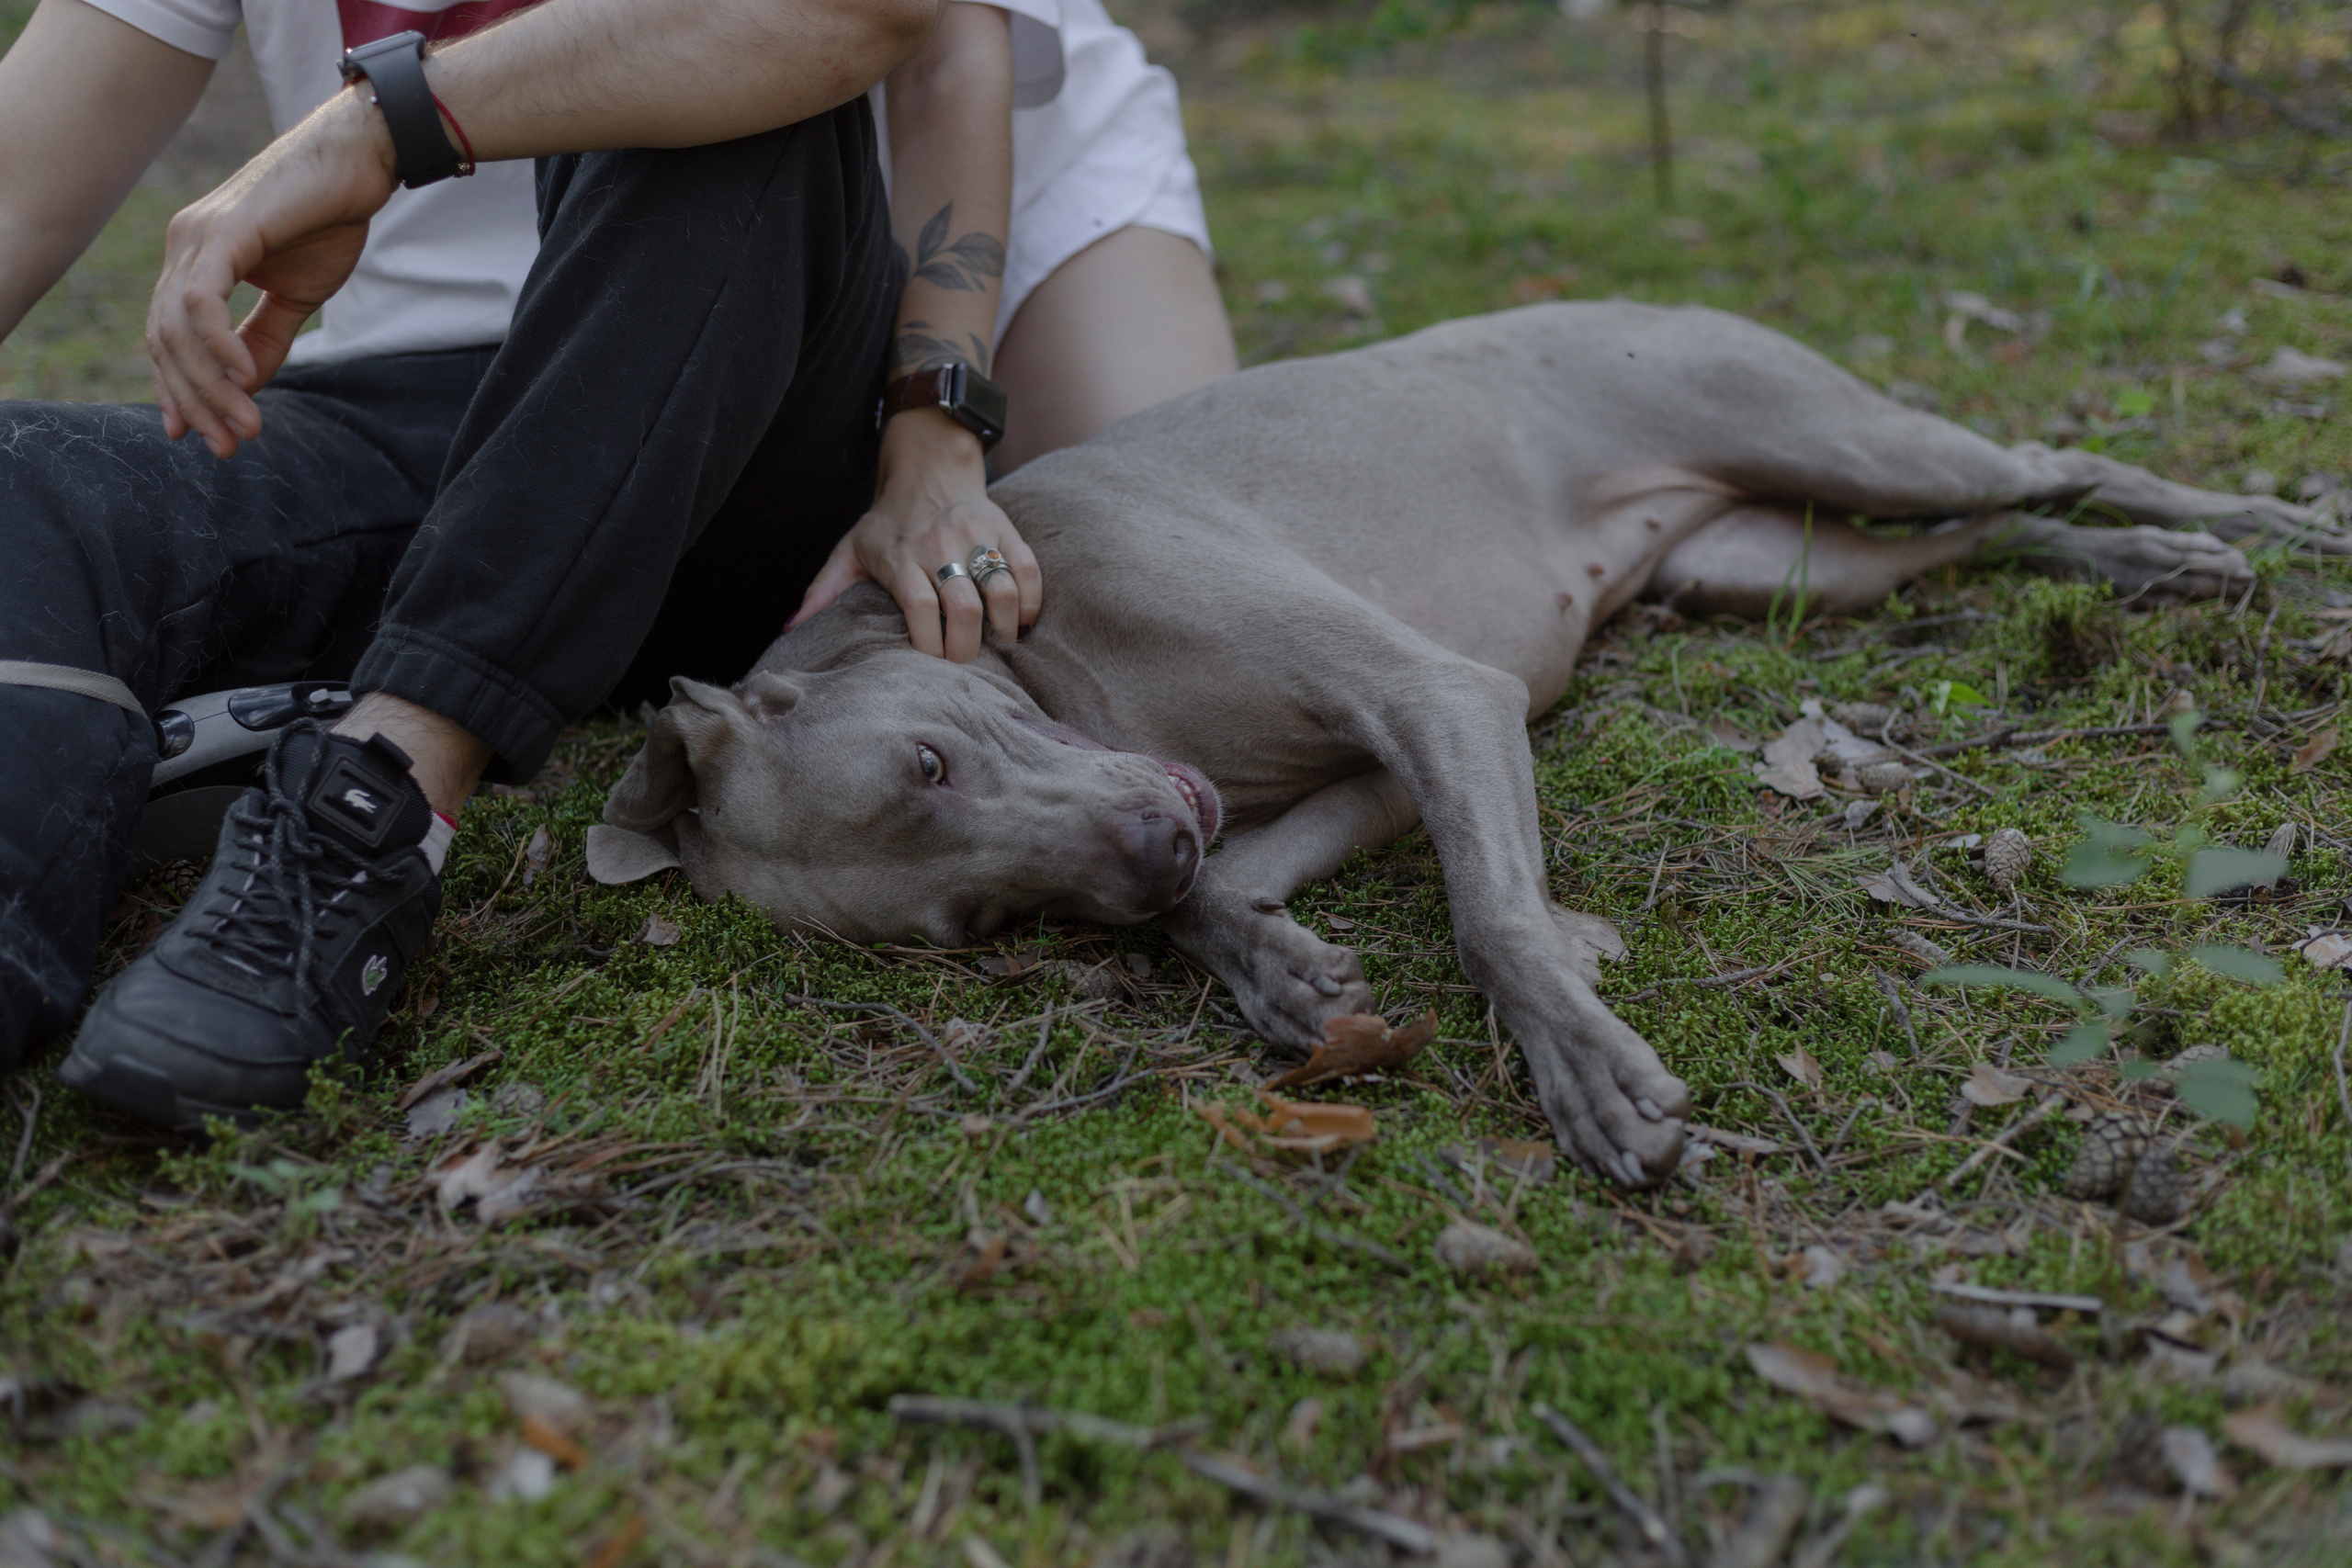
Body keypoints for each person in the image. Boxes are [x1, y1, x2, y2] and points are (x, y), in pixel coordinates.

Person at [0, 0, 939, 1125]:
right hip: (393, 427)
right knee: (32, 483)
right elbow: (15, 186)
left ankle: (372, 804)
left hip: (736, 426)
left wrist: (371, 126)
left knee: (727, 57)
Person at [790, 0, 1238, 663]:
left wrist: (936, 445)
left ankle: (976, 456)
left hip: (1025, 142)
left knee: (1191, 580)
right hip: (757, 197)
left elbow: (952, 59)